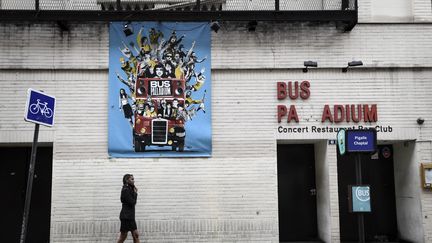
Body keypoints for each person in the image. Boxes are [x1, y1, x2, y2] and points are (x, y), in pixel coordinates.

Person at [117, 174, 140, 243]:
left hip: (129, 216)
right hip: (126, 217)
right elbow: (132, 203)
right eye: (132, 179)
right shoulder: (125, 190)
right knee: (124, 236)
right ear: (127, 180)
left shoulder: (129, 189)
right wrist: (135, 193)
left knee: (135, 235)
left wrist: (134, 191)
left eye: (133, 179)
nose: (134, 181)